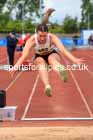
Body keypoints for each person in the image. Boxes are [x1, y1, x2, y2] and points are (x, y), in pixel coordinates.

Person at [10, 24, 84, 97]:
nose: (42, 38)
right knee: (40, 61)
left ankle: (61, 70)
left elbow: (63, 50)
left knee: (51, 59)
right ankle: (47, 86)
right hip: (39, 55)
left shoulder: (52, 38)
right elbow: (24, 55)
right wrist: (16, 66)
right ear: (36, 34)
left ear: (48, 34)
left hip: (52, 53)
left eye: (45, 36)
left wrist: (74, 59)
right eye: (40, 36)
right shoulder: (32, 40)